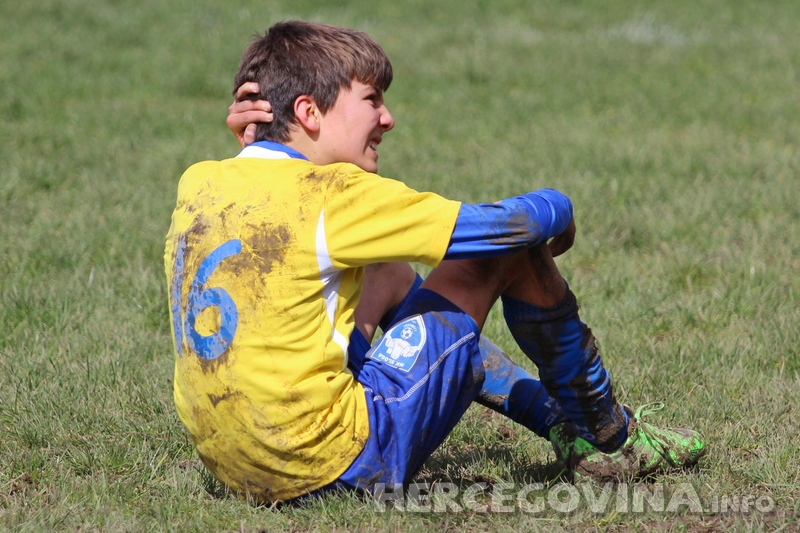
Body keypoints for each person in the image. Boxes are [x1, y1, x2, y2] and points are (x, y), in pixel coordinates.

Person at [166, 20, 705, 504]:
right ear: (307, 112)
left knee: (389, 271)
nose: (388, 118)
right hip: (331, 464)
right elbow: (505, 230)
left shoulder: (201, 180)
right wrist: (559, 207)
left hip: (237, 466)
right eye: (372, 100)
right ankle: (609, 437)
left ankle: (556, 421)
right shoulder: (333, 193)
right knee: (503, 255)